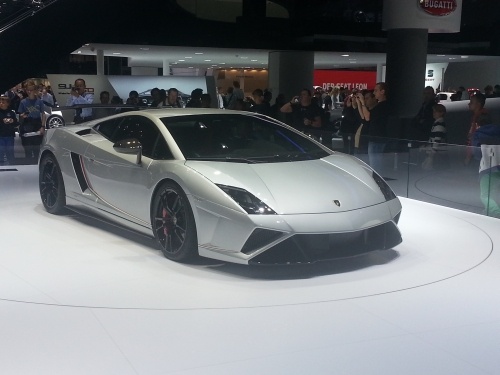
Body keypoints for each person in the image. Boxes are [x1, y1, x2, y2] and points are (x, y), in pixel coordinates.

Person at [355, 82, 391, 174]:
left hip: (377, 139)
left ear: (382, 92)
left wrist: (362, 103)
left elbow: (367, 117)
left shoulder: (383, 106)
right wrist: (360, 103)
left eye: (376, 90)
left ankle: (377, 183)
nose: (374, 93)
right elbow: (365, 117)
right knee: (374, 164)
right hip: (375, 138)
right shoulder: (380, 106)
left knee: (375, 166)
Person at [472, 115, 500, 218]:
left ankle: (495, 212)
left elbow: (477, 153)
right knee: (495, 192)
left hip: (487, 167)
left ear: (477, 124)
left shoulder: (478, 134)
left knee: (485, 194)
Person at [18, 82, 45, 161]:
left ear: (35, 90)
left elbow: (43, 114)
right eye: (27, 90)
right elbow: (20, 114)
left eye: (31, 90)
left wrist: (42, 126)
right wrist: (22, 116)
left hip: (37, 123)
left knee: (37, 148)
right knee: (28, 148)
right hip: (27, 124)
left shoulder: (40, 101)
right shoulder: (23, 102)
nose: (29, 92)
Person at [421, 103, 447, 171]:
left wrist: (431, 155)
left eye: (436, 111)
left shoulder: (439, 125)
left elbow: (437, 141)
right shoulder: (437, 124)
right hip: (434, 153)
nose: (434, 113)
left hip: (435, 155)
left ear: (441, 113)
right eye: (433, 111)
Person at [465, 92, 488, 165]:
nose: (469, 104)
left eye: (471, 102)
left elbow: (477, 138)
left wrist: (469, 156)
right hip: (476, 154)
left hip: (478, 155)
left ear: (478, 104)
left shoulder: (481, 119)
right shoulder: (477, 117)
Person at [0, 95, 17, 165]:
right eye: (0, 102)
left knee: (10, 152)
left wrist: (12, 120)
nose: (1, 103)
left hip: (9, 135)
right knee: (0, 152)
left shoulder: (11, 113)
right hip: (0, 135)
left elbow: (16, 122)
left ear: (7, 104)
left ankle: (12, 165)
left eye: (3, 102)